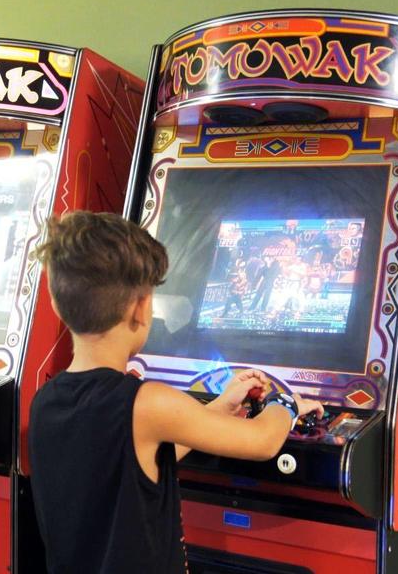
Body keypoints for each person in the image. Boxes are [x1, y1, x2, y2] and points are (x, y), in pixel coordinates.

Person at [28, 212, 323, 574]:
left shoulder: (47, 400)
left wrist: (220, 405)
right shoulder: (146, 402)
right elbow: (263, 441)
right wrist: (286, 404)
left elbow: (140, 458)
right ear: (141, 308)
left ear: (57, 304)